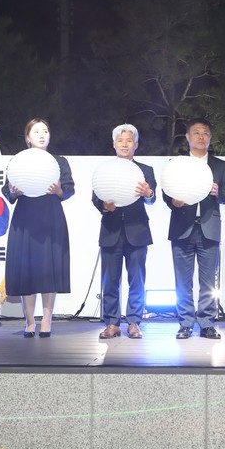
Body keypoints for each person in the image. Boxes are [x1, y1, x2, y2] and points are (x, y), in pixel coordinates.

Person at [163, 118, 225, 339]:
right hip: (182, 228)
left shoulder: (220, 166)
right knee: (182, 280)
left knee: (208, 281)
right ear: (187, 137)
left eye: (205, 133)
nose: (201, 137)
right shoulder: (177, 164)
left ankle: (206, 322)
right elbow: (166, 193)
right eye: (196, 132)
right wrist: (173, 201)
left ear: (210, 137)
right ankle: (185, 322)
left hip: (209, 228)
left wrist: (218, 193)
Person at [3, 119, 74, 338]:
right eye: (36, 131)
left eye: (45, 131)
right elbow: (7, 190)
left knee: (49, 268)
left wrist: (59, 191)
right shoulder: (19, 161)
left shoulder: (59, 161)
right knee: (26, 270)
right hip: (25, 217)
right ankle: (30, 321)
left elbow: (69, 189)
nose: (42, 135)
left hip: (51, 217)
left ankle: (47, 320)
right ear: (28, 137)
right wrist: (13, 192)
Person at [94, 124, 157, 339]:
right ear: (114, 144)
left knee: (137, 280)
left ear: (135, 144)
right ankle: (112, 323)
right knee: (110, 281)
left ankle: (134, 322)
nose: (124, 144)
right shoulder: (105, 170)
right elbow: (95, 197)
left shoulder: (145, 170)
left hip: (137, 231)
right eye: (120, 140)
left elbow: (152, 198)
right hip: (110, 231)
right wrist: (105, 206)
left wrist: (148, 193)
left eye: (129, 140)